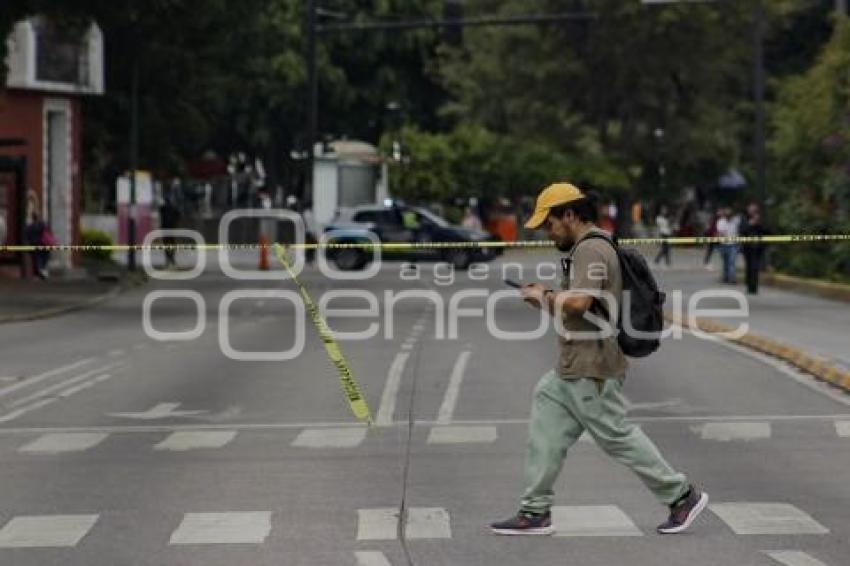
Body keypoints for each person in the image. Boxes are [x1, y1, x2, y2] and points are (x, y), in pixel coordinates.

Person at [489, 183, 708, 537]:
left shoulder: (589, 249)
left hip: (593, 364)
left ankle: (681, 495)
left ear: (571, 215)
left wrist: (542, 295)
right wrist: (543, 300)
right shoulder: (587, 246)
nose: (548, 232)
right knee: (546, 423)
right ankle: (534, 511)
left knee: (615, 435)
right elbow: (578, 309)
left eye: (550, 223)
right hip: (572, 364)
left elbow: (579, 303)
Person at [740, 203, 768, 294]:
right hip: (747, 247)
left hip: (758, 248)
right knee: (749, 267)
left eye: (754, 210)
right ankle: (749, 286)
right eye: (750, 209)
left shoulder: (761, 219)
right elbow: (742, 231)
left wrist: (759, 224)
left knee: (755, 267)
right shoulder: (744, 219)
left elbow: (768, 231)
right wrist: (750, 224)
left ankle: (754, 287)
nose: (752, 211)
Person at [716, 207, 740, 284]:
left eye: (729, 212)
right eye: (726, 212)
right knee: (725, 262)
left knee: (731, 262)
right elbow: (721, 233)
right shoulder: (721, 222)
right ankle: (725, 277)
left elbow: (740, 229)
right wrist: (722, 235)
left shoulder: (736, 221)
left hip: (733, 244)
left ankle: (732, 278)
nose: (728, 214)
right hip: (723, 245)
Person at [24, 211, 51, 279]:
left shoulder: (29, 227)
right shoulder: (43, 225)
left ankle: (37, 274)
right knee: (44, 259)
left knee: (36, 261)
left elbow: (26, 236)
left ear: (32, 218)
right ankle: (42, 272)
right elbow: (48, 234)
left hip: (34, 246)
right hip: (44, 245)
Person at [159, 195, 181, 269]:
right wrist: (175, 223)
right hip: (171, 228)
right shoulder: (172, 208)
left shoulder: (163, 208)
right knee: (172, 243)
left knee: (167, 244)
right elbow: (178, 215)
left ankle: (169, 259)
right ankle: (171, 259)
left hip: (165, 228)